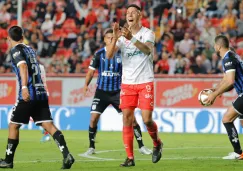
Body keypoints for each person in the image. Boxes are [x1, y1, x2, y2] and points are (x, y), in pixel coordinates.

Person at [0, 26, 75, 169]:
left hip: (29, 93)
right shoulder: (30, 50)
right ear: (22, 37)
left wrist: (23, 88)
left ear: (8, 38)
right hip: (41, 93)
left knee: (13, 125)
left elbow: (23, 68)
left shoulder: (16, 50)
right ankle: (67, 155)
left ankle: (8, 160)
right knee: (48, 125)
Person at [106, 4, 163, 167]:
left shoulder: (148, 33)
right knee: (127, 119)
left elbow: (147, 50)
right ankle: (130, 158)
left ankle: (157, 143)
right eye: (127, 13)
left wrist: (131, 38)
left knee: (147, 120)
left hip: (145, 81)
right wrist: (116, 37)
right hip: (128, 83)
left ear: (140, 15)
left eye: (132, 12)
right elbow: (109, 56)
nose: (129, 15)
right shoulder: (122, 37)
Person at [83, 28, 152, 155]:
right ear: (104, 39)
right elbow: (91, 71)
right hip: (102, 92)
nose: (110, 39)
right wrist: (86, 85)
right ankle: (91, 147)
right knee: (93, 119)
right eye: (108, 38)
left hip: (118, 92)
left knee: (132, 120)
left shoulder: (121, 53)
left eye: (112, 37)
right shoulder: (99, 54)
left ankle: (141, 146)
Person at [204, 35, 243, 160]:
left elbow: (230, 81)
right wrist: (216, 90)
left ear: (219, 46)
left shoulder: (228, 59)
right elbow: (226, 80)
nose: (214, 47)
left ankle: (238, 152)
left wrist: (214, 95)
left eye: (215, 45)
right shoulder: (231, 55)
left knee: (227, 119)